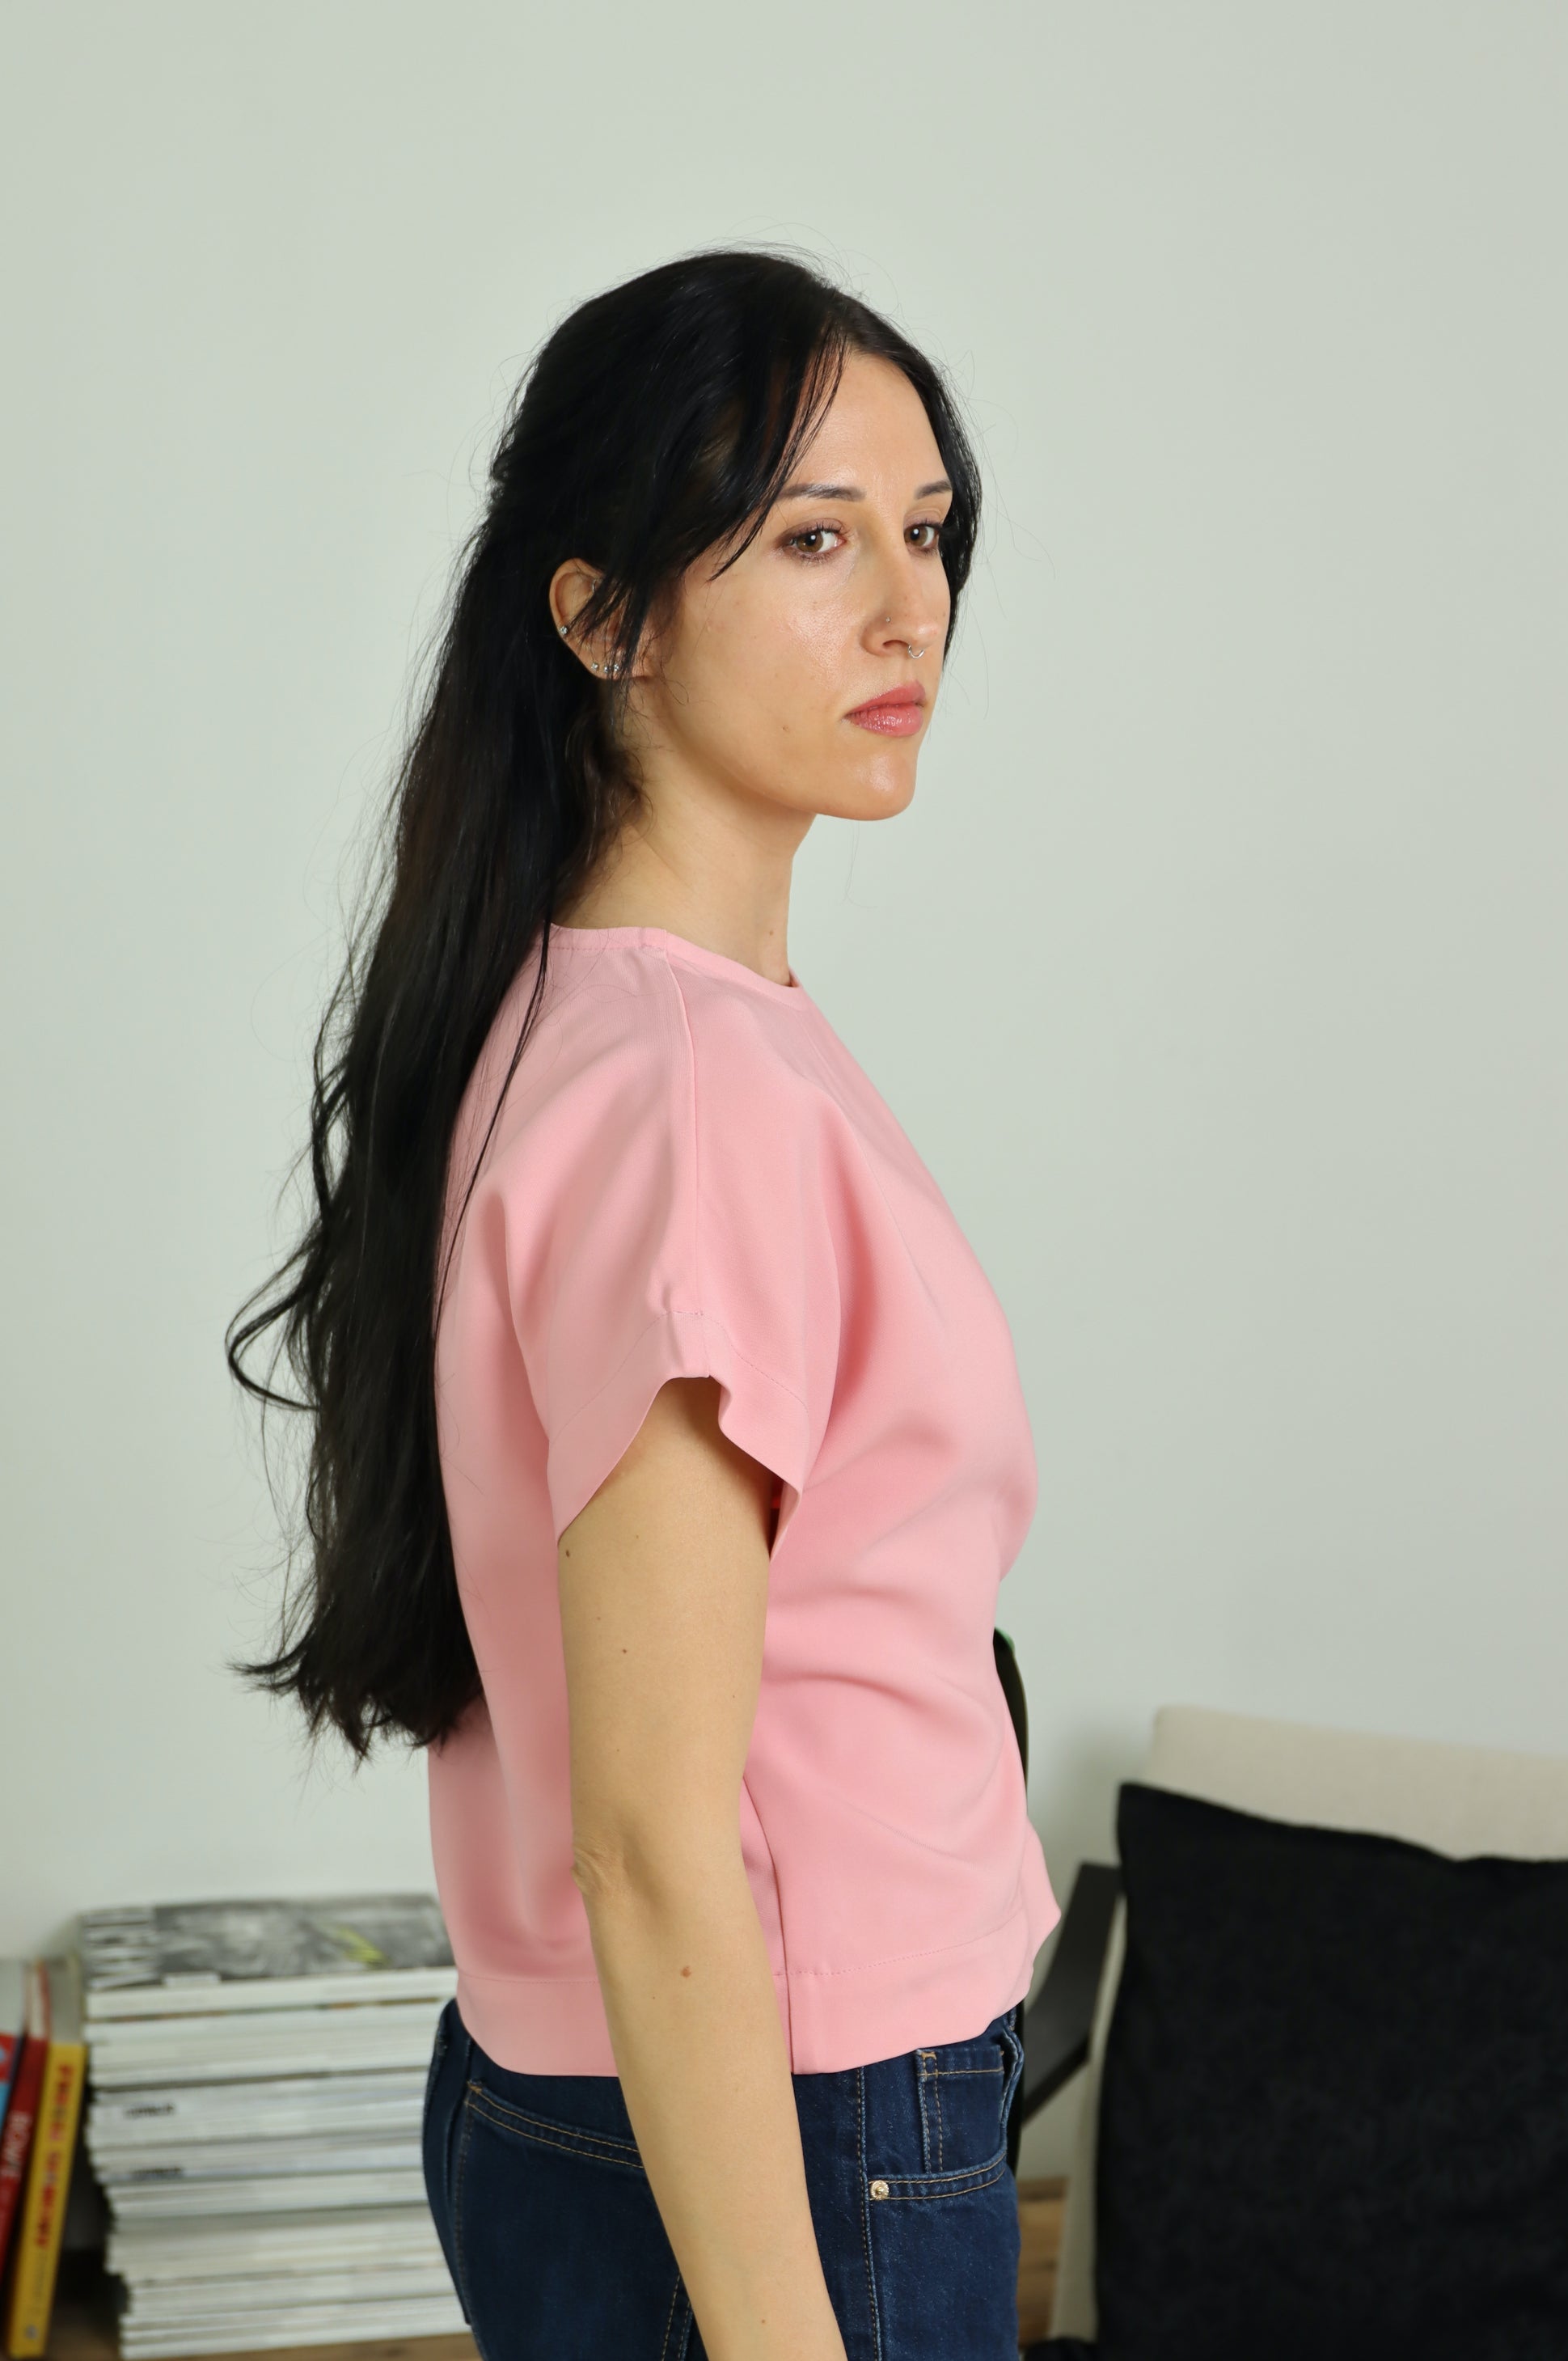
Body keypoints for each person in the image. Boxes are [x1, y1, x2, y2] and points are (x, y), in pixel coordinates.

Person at [227, 247, 1059, 2361]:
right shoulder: (695, 1097)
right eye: (811, 539)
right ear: (601, 617)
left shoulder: (573, 1021)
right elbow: (654, 1841)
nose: (909, 607)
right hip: (794, 2113)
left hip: (602, 2094)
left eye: (926, 530)